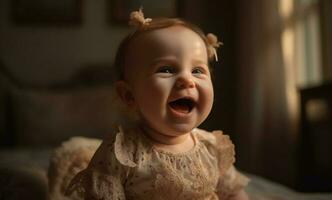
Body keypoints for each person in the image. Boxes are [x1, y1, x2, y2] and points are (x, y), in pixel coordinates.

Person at [65, 8, 250, 200]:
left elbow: (233, 193)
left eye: (197, 70)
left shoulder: (212, 147)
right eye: (167, 69)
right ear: (129, 96)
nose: (187, 80)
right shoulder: (123, 152)